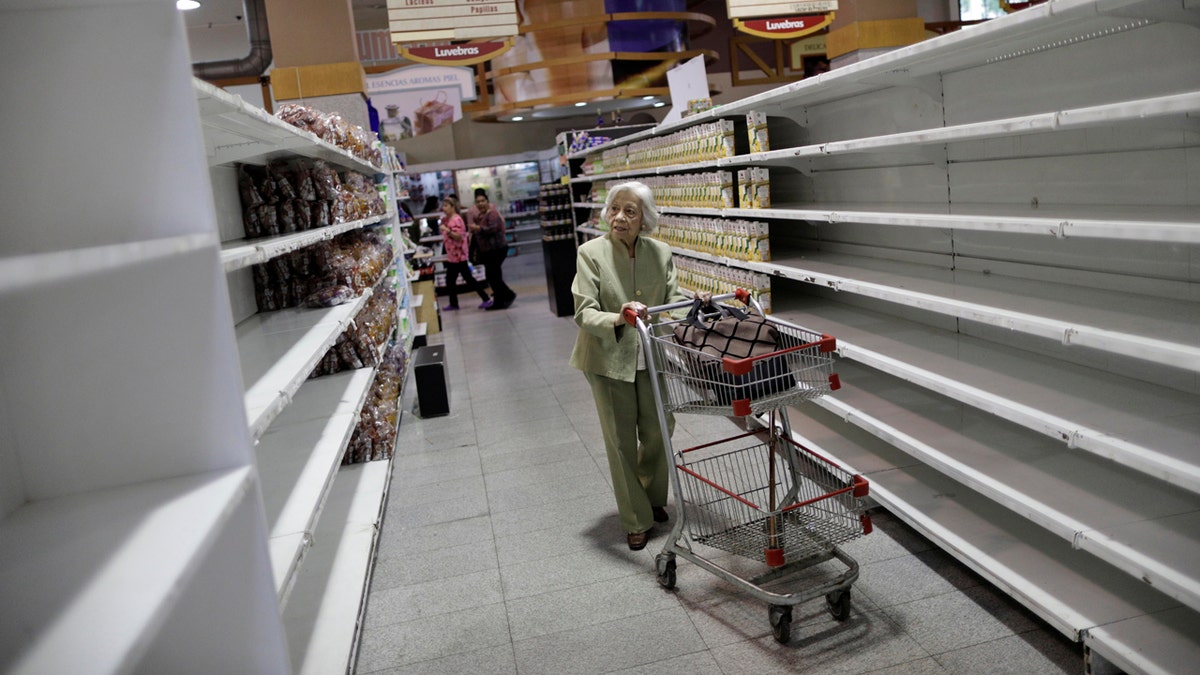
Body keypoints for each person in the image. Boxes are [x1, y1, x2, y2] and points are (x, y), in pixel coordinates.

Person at [569, 181, 705, 551]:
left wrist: (695, 305)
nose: (619, 217)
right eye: (614, 209)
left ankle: (652, 496)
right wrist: (619, 316)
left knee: (660, 428)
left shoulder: (660, 253)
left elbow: (673, 300)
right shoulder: (590, 253)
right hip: (607, 358)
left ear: (645, 218)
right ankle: (635, 518)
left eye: (630, 211)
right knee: (621, 440)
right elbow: (584, 312)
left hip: (650, 357)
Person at [438, 196, 492, 311]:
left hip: (458, 256)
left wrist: (447, 230)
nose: (444, 208)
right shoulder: (448, 220)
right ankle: (454, 303)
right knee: (452, 280)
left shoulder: (456, 220)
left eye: (446, 206)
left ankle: (485, 298)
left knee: (467, 279)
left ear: (453, 207)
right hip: (453, 256)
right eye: (443, 206)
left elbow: (458, 236)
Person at [466, 188, 517, 309]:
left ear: (487, 201)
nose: (480, 204)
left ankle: (507, 296)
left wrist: (479, 229)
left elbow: (493, 228)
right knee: (493, 276)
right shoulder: (480, 215)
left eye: (483, 201)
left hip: (496, 249)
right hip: (489, 251)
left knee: (493, 275)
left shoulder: (492, 213)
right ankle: (501, 299)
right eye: (478, 202)